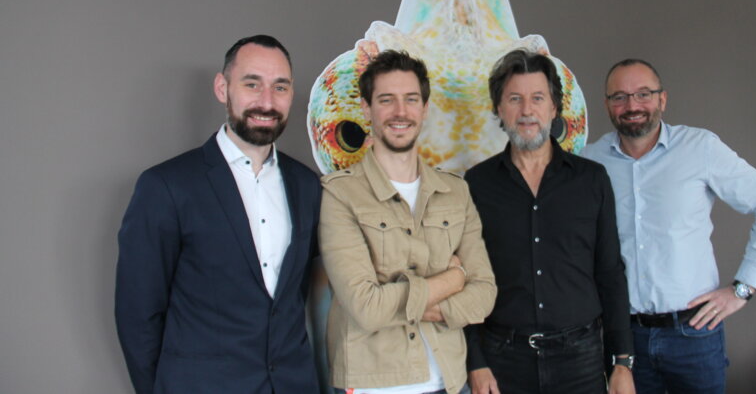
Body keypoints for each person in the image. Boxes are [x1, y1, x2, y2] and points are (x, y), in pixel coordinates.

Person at [115, 35, 321, 394]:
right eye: (252, 84)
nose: (267, 101)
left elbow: (295, 297)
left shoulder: (308, 185)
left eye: (280, 87)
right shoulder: (166, 186)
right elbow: (137, 313)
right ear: (222, 88)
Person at [582, 58, 756, 394]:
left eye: (643, 94)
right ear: (607, 104)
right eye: (619, 97)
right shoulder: (590, 162)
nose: (632, 105)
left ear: (662, 99)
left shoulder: (700, 148)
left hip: (694, 334)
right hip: (624, 339)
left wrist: (743, 288)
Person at [319, 50, 496, 394]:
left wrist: (402, 301)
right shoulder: (340, 194)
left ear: (424, 109)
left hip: (449, 382)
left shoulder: (456, 192)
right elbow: (367, 308)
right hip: (372, 386)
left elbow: (484, 294)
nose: (400, 112)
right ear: (367, 108)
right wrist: (455, 278)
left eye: (411, 99)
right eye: (387, 100)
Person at [464, 49, 635, 394]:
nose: (527, 110)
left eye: (538, 98)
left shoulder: (591, 179)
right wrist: (475, 362)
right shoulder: (477, 184)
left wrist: (622, 361)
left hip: (581, 359)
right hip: (503, 360)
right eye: (515, 99)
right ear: (499, 109)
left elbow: (610, 272)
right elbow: (466, 277)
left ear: (554, 107)